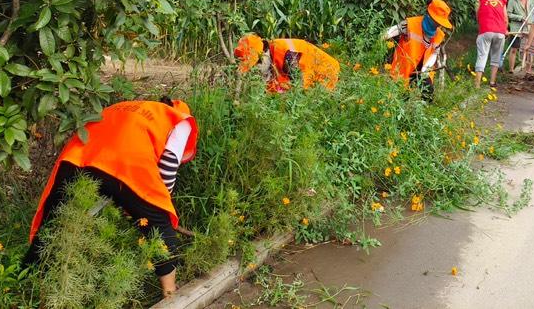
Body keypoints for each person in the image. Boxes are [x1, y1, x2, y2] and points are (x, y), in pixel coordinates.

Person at [25, 97, 198, 298]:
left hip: (75, 159)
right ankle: (171, 294)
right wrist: (155, 210)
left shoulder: (130, 107)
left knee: (53, 223)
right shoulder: (180, 120)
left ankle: (28, 282)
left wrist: (129, 204)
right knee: (160, 226)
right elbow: (167, 170)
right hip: (123, 162)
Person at [386, 0, 452, 94]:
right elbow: (388, 33)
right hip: (403, 71)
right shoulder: (410, 25)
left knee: (428, 94)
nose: (438, 24)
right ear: (429, 15)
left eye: (440, 22)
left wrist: (425, 70)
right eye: (437, 21)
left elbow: (434, 53)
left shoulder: (439, 35)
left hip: (423, 72)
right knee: (400, 98)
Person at [234, 34, 340, 91]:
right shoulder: (272, 55)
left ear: (263, 53)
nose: (256, 68)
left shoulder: (287, 53)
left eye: (256, 64)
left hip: (327, 75)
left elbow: (298, 88)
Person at [474, 0, 507, 88]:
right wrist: (505, 30)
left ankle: (477, 85)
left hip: (486, 30)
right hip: (500, 32)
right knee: (496, 57)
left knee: (482, 56)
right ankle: (492, 82)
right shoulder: (502, 1)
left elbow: (477, 15)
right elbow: (505, 19)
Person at [507, 0, 534, 73]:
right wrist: (520, 18)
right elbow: (508, 14)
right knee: (514, 48)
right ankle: (511, 69)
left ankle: (528, 69)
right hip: (517, 28)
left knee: (529, 48)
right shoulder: (512, 1)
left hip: (530, 28)